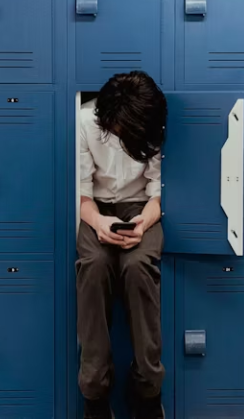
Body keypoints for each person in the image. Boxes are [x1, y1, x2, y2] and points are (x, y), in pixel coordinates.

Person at [77, 71, 167, 419]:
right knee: (95, 267)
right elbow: (82, 196)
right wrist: (99, 223)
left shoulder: (151, 121)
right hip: (94, 207)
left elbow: (156, 193)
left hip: (142, 209)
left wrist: (143, 221)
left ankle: (147, 390)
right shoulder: (85, 120)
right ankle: (95, 393)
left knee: (137, 268)